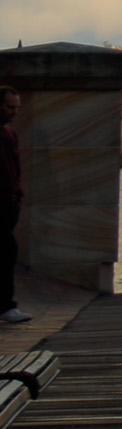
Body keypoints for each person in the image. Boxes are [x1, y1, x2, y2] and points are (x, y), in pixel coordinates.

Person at [1, 86, 27, 324]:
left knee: (7, 252)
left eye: (17, 107)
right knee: (8, 251)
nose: (15, 112)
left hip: (10, 201)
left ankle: (6, 305)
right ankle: (6, 305)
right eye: (10, 107)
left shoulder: (10, 133)